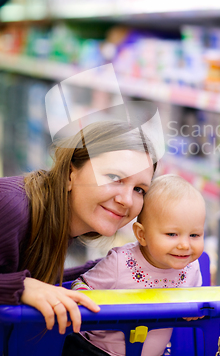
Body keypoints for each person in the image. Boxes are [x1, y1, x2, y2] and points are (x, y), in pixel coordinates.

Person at [0, 120, 157, 336]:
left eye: (139, 189)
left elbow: (44, 282)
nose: (127, 200)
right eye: (114, 177)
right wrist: (21, 286)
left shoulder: (54, 225)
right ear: (69, 174)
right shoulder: (12, 206)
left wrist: (112, 267)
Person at [63, 174, 206, 356]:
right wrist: (86, 300)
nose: (185, 244)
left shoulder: (191, 268)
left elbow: (194, 299)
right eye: (172, 234)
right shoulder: (121, 262)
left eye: (194, 235)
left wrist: (193, 310)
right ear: (142, 234)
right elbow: (81, 284)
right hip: (96, 353)